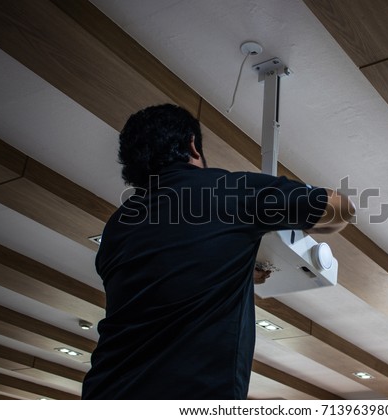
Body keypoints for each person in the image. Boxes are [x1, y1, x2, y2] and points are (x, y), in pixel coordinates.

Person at [81, 103, 355, 399]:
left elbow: (163, 279)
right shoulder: (229, 190)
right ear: (192, 146)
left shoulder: (118, 226)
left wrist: (233, 262)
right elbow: (340, 210)